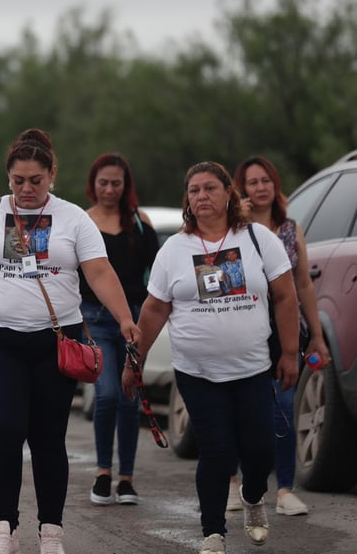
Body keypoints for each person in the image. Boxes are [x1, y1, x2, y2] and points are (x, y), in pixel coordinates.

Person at [0, 128, 140, 554]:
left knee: (48, 440)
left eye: (36, 181)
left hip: (54, 344)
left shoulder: (74, 219)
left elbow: (99, 272)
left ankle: (51, 531)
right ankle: (4, 527)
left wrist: (124, 319)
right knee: (4, 433)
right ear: (8, 177)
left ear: (52, 175)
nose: (26, 189)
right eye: (18, 181)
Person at [122, 161, 300, 554]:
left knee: (259, 450)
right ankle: (213, 532)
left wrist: (290, 353)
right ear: (187, 200)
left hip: (253, 369)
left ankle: (253, 499)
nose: (202, 196)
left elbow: (286, 296)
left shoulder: (258, 239)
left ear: (228, 194)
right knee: (217, 451)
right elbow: (153, 310)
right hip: (197, 372)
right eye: (194, 190)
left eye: (210, 188)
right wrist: (134, 363)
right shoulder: (175, 250)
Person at [227, 155, 332, 516]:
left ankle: (285, 489)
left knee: (284, 410)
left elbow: (303, 284)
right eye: (252, 182)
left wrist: (316, 335)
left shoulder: (290, 228)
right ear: (241, 189)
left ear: (275, 185)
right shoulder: (230, 230)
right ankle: (233, 483)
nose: (260, 188)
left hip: (286, 331)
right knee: (240, 410)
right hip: (242, 328)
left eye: (265, 181)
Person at [80, 153, 159, 506]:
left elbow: (158, 275)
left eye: (116, 183)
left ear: (125, 186)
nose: (110, 189)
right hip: (94, 319)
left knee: (129, 398)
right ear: (93, 184)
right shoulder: (82, 223)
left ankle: (126, 478)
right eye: (103, 182)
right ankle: (102, 472)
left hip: (134, 320)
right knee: (108, 393)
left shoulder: (139, 223)